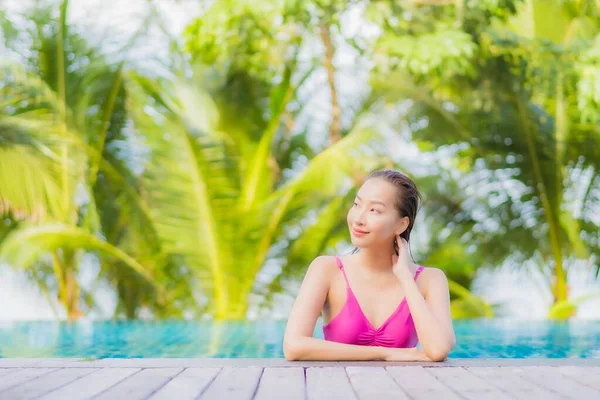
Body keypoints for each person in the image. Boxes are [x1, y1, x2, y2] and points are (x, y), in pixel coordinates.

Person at [283, 169, 456, 361]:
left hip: (403, 390)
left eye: (374, 210)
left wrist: (406, 278)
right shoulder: (327, 270)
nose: (358, 219)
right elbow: (293, 346)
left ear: (401, 224)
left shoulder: (430, 279)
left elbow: (438, 349)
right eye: (357, 205)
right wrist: (385, 353)